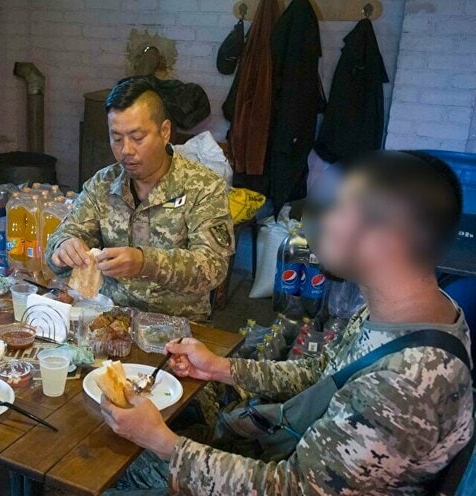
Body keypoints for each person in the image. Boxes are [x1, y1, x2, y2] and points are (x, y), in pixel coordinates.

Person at [101, 151, 474, 494]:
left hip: (283, 477)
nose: (315, 225)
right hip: (284, 451)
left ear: (385, 239)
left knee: (111, 478)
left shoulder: (403, 386)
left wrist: (162, 442)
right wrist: (224, 369)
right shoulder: (413, 308)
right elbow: (324, 375)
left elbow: (292, 489)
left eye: (335, 211)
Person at [45, 78, 234, 321]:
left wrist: (146, 262)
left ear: (164, 132)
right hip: (109, 320)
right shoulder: (103, 184)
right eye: (117, 138)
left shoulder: (203, 187)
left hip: (178, 328)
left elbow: (213, 268)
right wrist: (63, 247)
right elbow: (60, 241)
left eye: (137, 137)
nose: (126, 150)